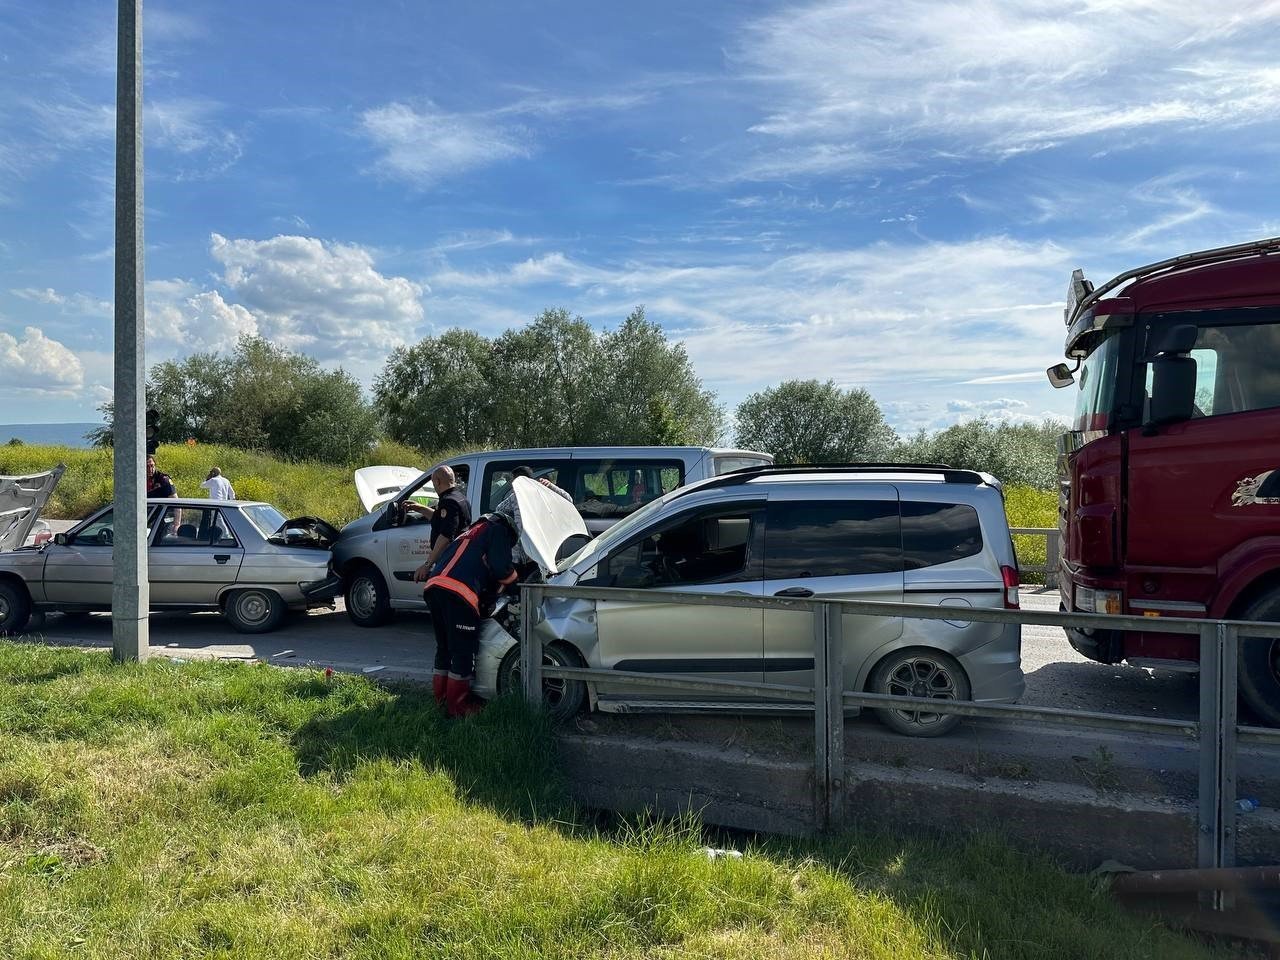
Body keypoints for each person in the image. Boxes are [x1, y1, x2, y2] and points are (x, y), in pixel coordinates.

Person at [424, 502, 520, 717]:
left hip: (434, 588)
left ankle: (441, 701)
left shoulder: (470, 533)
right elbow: (501, 568)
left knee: (445, 648)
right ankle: (459, 708)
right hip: (458, 593)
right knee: (462, 652)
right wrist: (516, 582)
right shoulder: (499, 530)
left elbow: (477, 567)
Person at [412, 466, 472, 581]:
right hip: (459, 558)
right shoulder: (460, 498)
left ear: (437, 481)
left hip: (449, 560)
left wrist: (427, 565)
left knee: (438, 592)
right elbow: (441, 519)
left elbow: (446, 535)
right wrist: (420, 508)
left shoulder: (448, 501)